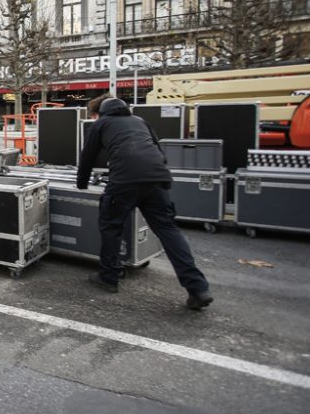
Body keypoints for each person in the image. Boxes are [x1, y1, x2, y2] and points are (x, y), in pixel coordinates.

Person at [77, 96, 213, 310]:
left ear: (102, 113)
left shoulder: (101, 123)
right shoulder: (140, 121)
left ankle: (109, 277)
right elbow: (159, 153)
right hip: (157, 180)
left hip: (124, 182)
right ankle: (198, 288)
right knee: (168, 230)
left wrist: (82, 184)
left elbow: (88, 156)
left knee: (111, 226)